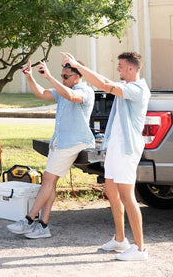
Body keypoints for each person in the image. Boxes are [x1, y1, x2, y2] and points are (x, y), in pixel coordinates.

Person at [62, 51, 150, 261]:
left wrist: (78, 66)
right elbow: (106, 83)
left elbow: (103, 83)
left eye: (120, 65)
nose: (118, 68)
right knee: (111, 191)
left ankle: (140, 250)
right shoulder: (127, 89)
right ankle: (120, 239)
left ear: (131, 68)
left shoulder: (137, 89)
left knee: (128, 197)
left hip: (126, 150)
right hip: (115, 147)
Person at [7, 60, 95, 239]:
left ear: (77, 77)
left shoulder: (85, 91)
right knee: (50, 182)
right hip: (60, 141)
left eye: (65, 76)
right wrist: (30, 77)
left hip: (72, 142)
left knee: (47, 179)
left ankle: (29, 220)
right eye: (61, 75)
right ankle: (43, 226)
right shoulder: (63, 90)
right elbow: (41, 93)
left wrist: (49, 76)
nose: (62, 79)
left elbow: (71, 96)